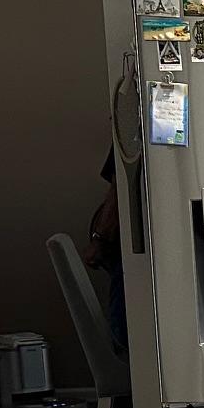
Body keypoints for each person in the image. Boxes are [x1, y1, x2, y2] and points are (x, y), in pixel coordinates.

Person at [84, 150, 129, 353]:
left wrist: (99, 239)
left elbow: (120, 188)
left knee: (124, 337)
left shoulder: (130, 131)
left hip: (129, 250)